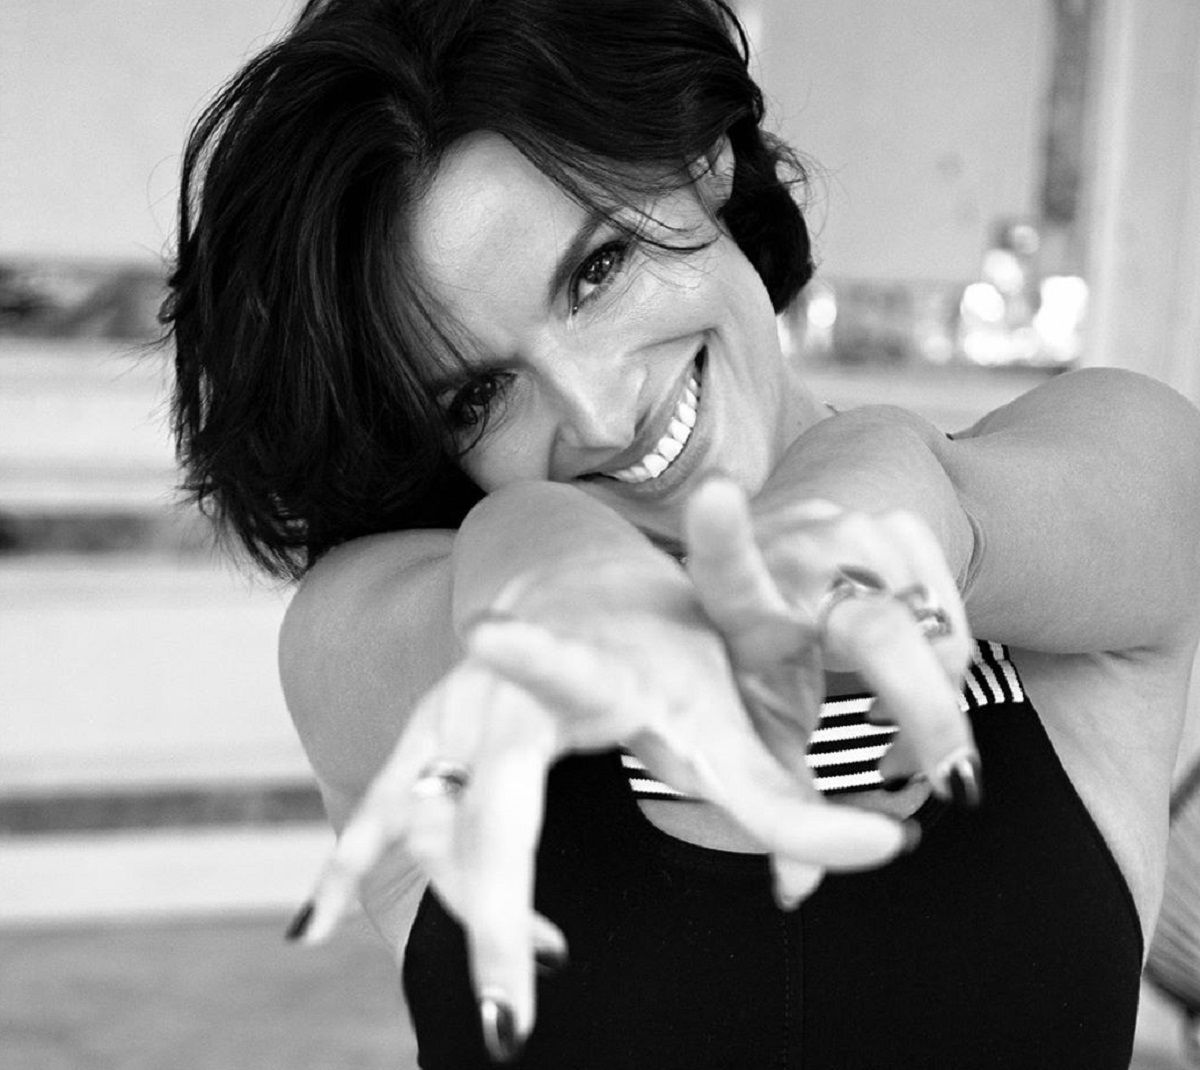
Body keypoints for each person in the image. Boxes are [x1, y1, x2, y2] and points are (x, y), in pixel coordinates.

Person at [164, 0, 1200, 1065]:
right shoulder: (384, 646)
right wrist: (542, 552)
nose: (599, 414)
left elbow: (1066, 493)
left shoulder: (1095, 500)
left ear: (701, 157)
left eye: (598, 269)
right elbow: (468, 608)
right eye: (478, 395)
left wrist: (869, 482)